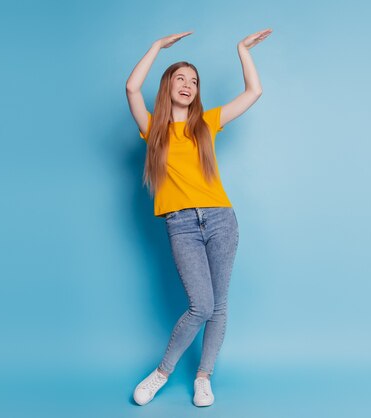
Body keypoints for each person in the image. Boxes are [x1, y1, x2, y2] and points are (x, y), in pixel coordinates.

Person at [125, 28, 271, 407]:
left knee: (218, 305)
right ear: (168, 85)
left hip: (221, 220)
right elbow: (130, 88)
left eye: (194, 80)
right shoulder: (153, 128)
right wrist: (156, 46)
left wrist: (242, 50)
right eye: (180, 78)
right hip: (181, 225)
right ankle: (162, 373)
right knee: (200, 306)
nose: (188, 84)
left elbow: (254, 92)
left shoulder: (206, 123)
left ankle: (203, 377)